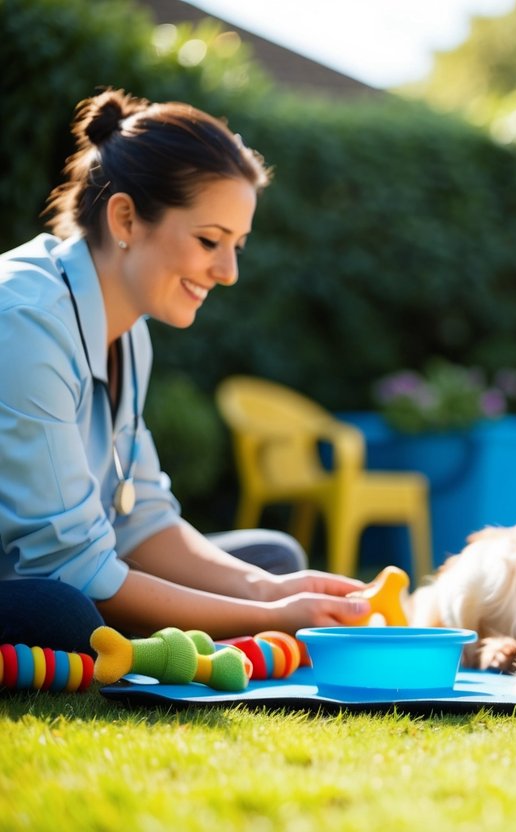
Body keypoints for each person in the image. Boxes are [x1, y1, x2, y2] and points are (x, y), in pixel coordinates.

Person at [0, 89, 370, 654]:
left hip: (63, 569)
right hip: (46, 582)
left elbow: (141, 516)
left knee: (276, 558)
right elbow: (70, 564)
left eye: (238, 246)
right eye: (209, 241)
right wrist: (269, 616)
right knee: (65, 610)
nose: (228, 272)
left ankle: (174, 628)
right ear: (125, 217)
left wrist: (270, 592)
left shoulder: (130, 333)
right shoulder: (27, 321)